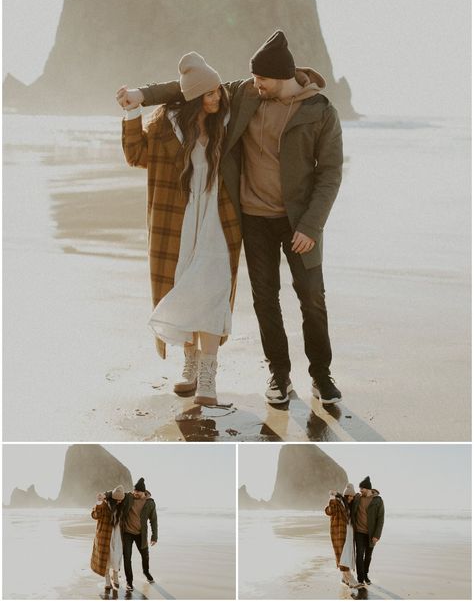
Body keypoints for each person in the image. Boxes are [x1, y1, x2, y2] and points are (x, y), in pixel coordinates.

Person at [118, 30, 343, 406]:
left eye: (261, 79)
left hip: (295, 222)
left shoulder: (319, 111)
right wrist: (140, 98)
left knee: (312, 298)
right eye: (253, 79)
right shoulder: (247, 95)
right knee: (264, 300)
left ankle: (321, 375)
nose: (253, 85)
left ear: (282, 77)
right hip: (251, 219)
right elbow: (187, 88)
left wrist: (311, 225)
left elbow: (330, 172)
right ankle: (279, 376)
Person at [118, 52, 241, 406]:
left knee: (215, 290)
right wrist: (133, 110)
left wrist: (145, 90)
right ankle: (189, 363)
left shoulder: (229, 119)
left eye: (217, 90)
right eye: (208, 93)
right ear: (191, 98)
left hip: (219, 221)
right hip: (179, 223)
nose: (216, 97)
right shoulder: (164, 127)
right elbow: (134, 155)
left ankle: (208, 373)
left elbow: (189, 87)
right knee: (186, 289)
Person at [121, 477, 158, 592]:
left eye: (137, 491)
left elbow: (153, 520)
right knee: (127, 557)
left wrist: (154, 536)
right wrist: (104, 496)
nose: (135, 493)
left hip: (141, 534)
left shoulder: (150, 503)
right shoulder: (128, 497)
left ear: (143, 492)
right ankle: (129, 582)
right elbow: (114, 493)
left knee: (145, 555)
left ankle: (146, 572)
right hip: (127, 532)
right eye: (134, 490)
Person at [352, 476, 385, 587]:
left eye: (362, 488)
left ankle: (365, 575)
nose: (360, 490)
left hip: (371, 533)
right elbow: (347, 501)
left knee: (368, 556)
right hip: (359, 531)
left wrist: (377, 535)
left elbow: (381, 519)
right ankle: (360, 579)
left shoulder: (378, 500)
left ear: (368, 489)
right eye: (360, 488)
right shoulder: (357, 498)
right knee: (359, 554)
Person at [90, 485, 125, 592]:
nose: (119, 501)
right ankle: (107, 580)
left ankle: (115, 575)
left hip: (117, 536)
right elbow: (95, 515)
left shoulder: (122, 505)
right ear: (112, 499)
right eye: (117, 499)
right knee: (105, 557)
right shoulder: (104, 505)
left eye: (121, 499)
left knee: (116, 556)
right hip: (104, 536)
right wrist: (99, 502)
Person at [325, 484, 359, 589]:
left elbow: (358, 496)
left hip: (349, 534)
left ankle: (345, 578)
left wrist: (339, 494)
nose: (350, 498)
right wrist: (333, 497)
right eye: (348, 496)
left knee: (347, 555)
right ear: (345, 496)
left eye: (352, 496)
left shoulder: (350, 505)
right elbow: (329, 511)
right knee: (343, 555)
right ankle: (350, 578)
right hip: (339, 532)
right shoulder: (338, 503)